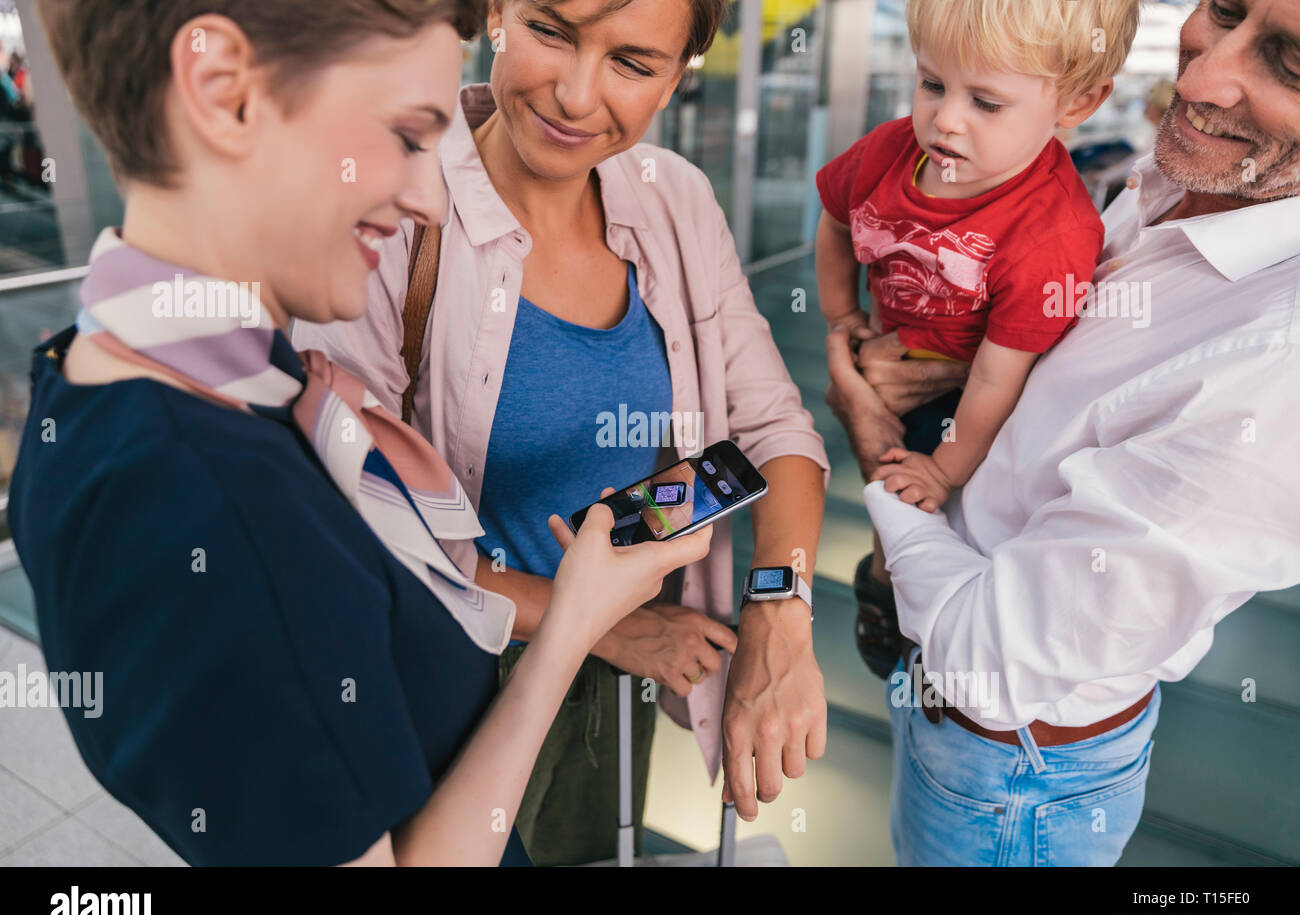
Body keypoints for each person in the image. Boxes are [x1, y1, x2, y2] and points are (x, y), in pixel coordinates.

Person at [10, 0, 711, 867]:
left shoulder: (118, 371)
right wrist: (571, 628)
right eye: (409, 135)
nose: (426, 199)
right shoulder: (201, 509)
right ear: (223, 91)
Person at [293, 0, 832, 864]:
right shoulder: (395, 207)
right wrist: (597, 622)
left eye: (633, 63)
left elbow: (774, 425)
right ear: (497, 11)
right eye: (550, 31)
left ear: (679, 73)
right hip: (457, 669)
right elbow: (350, 526)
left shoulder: (674, 201)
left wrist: (779, 606)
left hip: (619, 678)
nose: (577, 97)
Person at [828, 0, 1300, 866]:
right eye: (1225, 9)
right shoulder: (1186, 180)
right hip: (942, 691)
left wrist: (878, 447)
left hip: (1009, 769)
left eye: (1292, 63)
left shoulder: (1283, 370)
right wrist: (961, 373)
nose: (1197, 77)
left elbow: (991, 661)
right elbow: (1081, 377)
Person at [817, 0, 1139, 672]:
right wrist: (840, 314)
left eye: (986, 102)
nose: (946, 119)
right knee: (887, 488)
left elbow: (998, 377)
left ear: (1077, 103)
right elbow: (839, 221)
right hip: (892, 349)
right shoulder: (890, 150)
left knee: (923, 511)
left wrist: (943, 468)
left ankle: (890, 592)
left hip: (969, 401)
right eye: (932, 84)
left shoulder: (1049, 233)